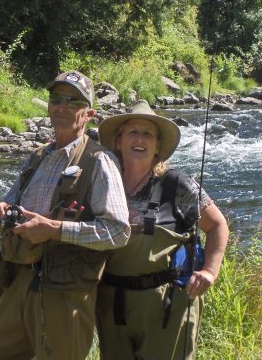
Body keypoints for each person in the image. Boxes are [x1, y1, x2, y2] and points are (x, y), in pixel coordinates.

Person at [0, 70, 130, 360]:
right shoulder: (36, 156)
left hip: (66, 292)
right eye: (56, 99)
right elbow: (10, 204)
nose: (62, 107)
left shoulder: (100, 161)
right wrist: (1, 210)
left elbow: (118, 231)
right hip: (17, 281)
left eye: (73, 102)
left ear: (88, 114)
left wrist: (55, 230)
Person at [96, 99, 229, 360]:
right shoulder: (102, 182)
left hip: (167, 306)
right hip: (112, 305)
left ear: (158, 146)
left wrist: (210, 271)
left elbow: (217, 225)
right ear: (118, 140)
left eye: (148, 134)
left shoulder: (175, 182)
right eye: (133, 131)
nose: (140, 139)